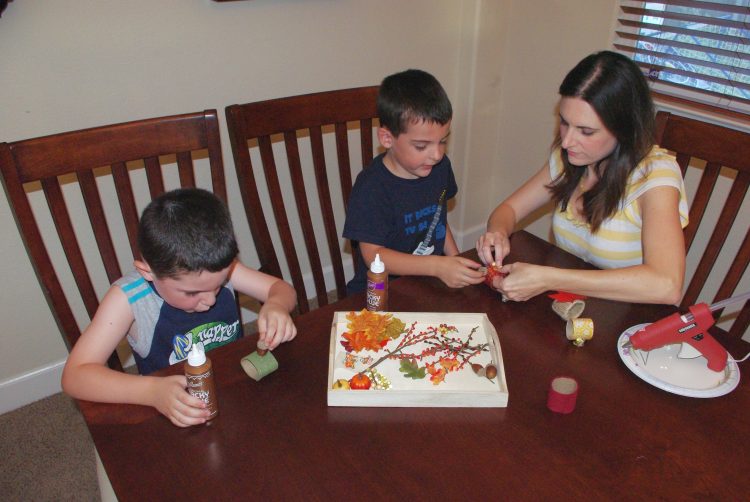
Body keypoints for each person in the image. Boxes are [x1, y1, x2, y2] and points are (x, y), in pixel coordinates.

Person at [62, 188, 297, 427]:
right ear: (148, 272)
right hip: (172, 409)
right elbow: (75, 375)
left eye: (219, 285)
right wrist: (151, 392)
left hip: (233, 392)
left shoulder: (218, 269)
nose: (210, 300)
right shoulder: (129, 299)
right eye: (192, 293)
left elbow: (282, 289)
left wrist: (276, 305)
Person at [476, 51, 688, 305]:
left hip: (629, 315)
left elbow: (667, 285)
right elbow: (508, 209)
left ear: (624, 129)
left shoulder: (655, 176)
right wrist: (498, 232)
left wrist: (550, 278)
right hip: (577, 305)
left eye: (586, 131)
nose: (566, 141)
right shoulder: (571, 158)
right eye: (565, 123)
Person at [343, 69, 484, 293]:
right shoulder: (371, 188)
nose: (436, 154)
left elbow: (437, 219)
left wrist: (455, 259)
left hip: (429, 282)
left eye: (443, 141)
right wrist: (437, 266)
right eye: (421, 146)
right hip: (381, 292)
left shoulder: (439, 167)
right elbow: (373, 256)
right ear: (387, 138)